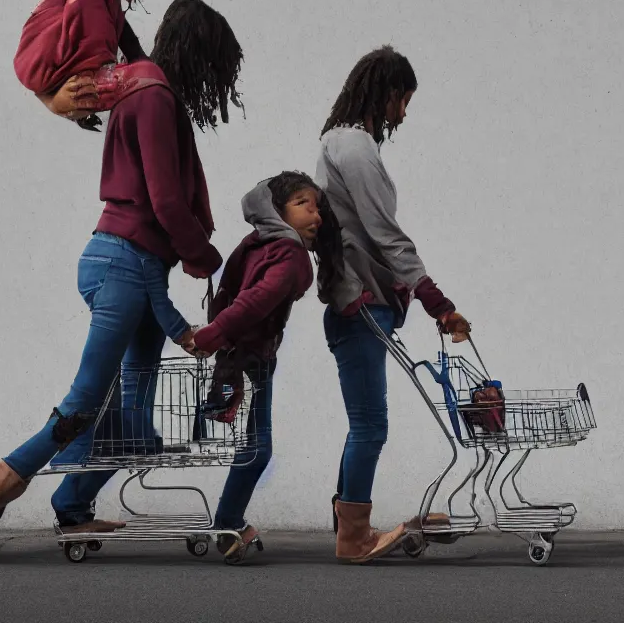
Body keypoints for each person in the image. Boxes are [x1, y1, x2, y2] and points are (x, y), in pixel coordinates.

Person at [0, 0, 244, 562]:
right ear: (198, 55)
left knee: (135, 413)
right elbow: (165, 200)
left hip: (136, 264)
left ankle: (74, 504)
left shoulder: (140, 89)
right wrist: (206, 257)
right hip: (127, 263)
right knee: (82, 404)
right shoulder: (151, 96)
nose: (213, 83)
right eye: (215, 68)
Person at [316, 45, 471, 564]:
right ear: (386, 93)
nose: (404, 113)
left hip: (357, 302)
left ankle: (348, 524)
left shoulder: (339, 144)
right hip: (360, 304)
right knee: (370, 425)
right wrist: (438, 302)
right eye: (403, 100)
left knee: (363, 421)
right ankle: (352, 537)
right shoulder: (355, 148)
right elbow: (386, 235)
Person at [191, 171, 344, 561]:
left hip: (238, 354)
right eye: (302, 204)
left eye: (317, 207)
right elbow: (257, 299)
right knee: (257, 449)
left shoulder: (256, 243)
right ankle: (227, 522)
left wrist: (217, 335)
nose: (316, 214)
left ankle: (230, 522)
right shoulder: (289, 254)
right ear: (277, 210)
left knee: (252, 444)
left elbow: (230, 292)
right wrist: (213, 336)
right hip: (253, 358)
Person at [14, 0, 167, 131]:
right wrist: (55, 102)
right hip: (61, 76)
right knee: (148, 76)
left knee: (149, 72)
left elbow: (130, 44)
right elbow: (94, 70)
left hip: (53, 74)